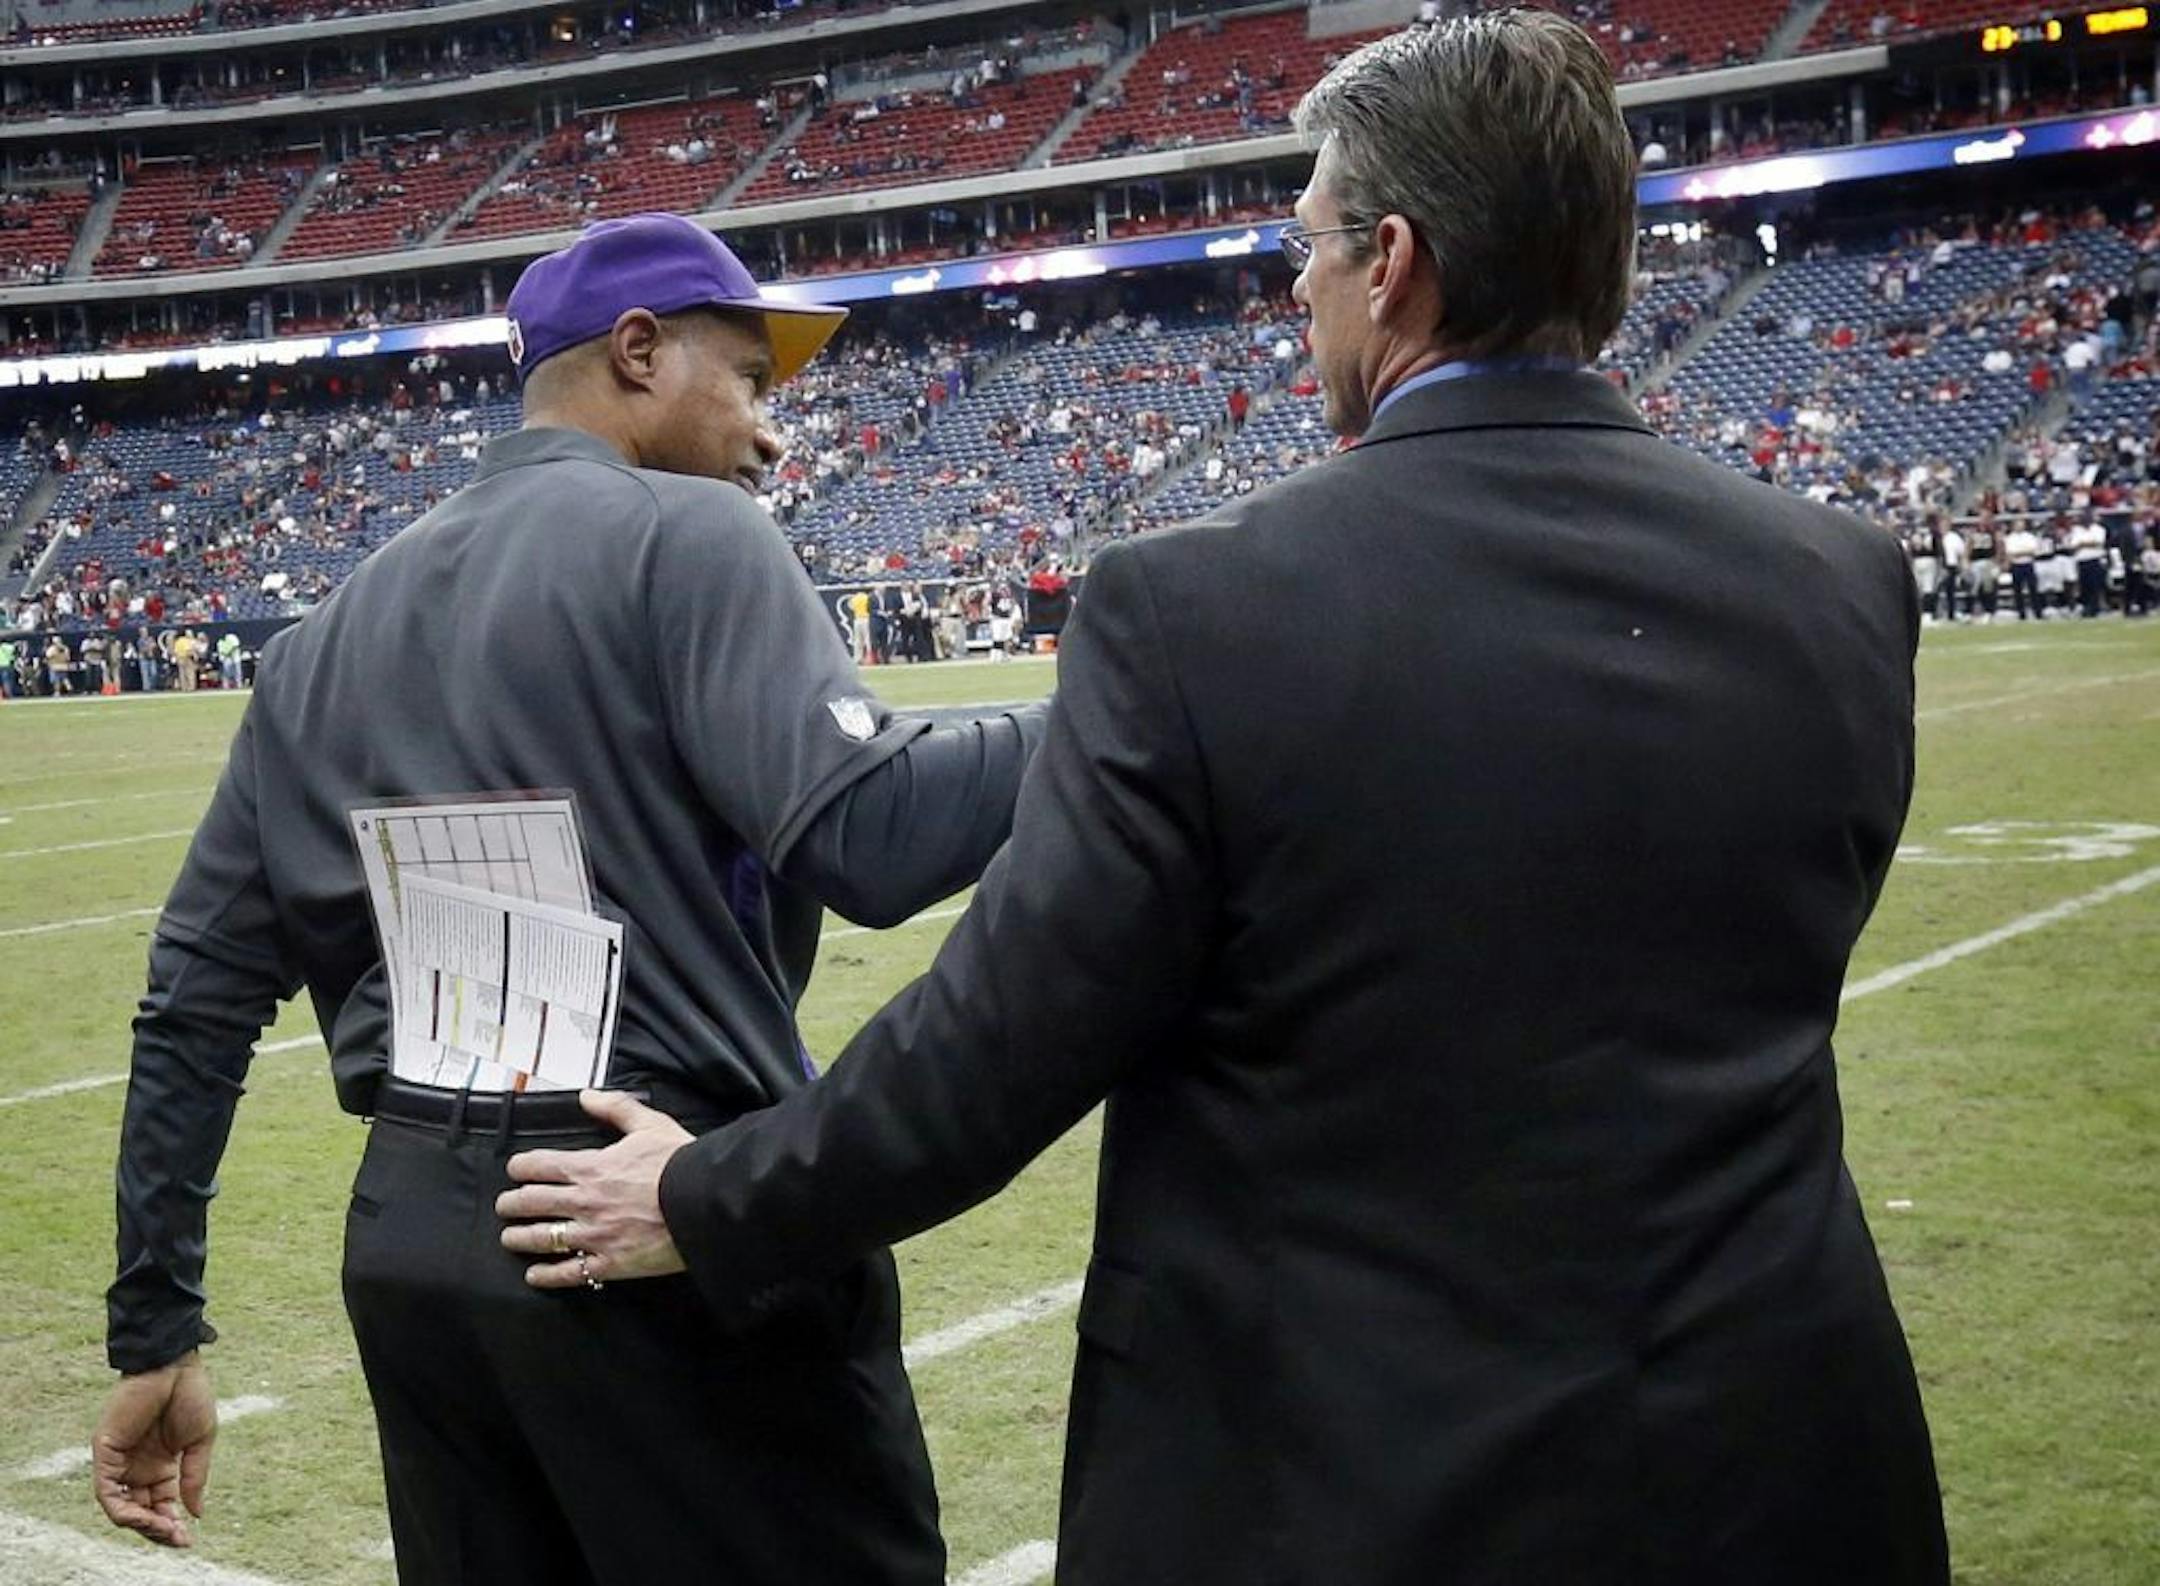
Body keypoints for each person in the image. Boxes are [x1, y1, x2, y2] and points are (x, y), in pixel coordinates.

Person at [500, 19, 1949, 1583]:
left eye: (1306, 242)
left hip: (1347, 1477)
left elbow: (990, 1054)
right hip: (1777, 1462)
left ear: (1391, 261)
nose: (1293, 283)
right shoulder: (1838, 584)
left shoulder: (1203, 610)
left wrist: (706, 1193)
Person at [91, 213, 1049, 1585]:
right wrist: (1121, 695)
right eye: (752, 381)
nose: (773, 436)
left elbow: (195, 999)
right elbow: (879, 833)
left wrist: (156, 1323)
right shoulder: (689, 537)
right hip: (657, 1208)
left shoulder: (320, 639)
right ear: (641, 352)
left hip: (421, 1247)